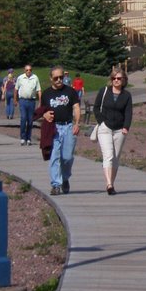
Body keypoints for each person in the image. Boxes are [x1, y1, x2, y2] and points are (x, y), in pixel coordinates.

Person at [40, 65, 80, 195]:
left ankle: (65, 178)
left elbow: (76, 107)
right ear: (51, 78)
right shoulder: (46, 94)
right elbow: (42, 110)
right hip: (54, 128)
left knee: (67, 157)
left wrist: (77, 123)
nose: (59, 80)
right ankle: (56, 185)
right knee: (54, 156)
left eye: (61, 77)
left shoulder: (70, 92)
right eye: (56, 78)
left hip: (68, 126)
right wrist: (45, 115)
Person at [93, 69, 133, 195]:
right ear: (111, 79)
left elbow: (128, 112)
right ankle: (109, 184)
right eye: (114, 78)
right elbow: (96, 107)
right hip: (105, 127)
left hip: (120, 129)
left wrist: (126, 127)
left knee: (115, 157)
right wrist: (101, 122)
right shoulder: (104, 91)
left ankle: (111, 183)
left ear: (124, 80)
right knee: (108, 155)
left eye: (119, 78)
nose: (116, 80)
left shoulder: (126, 95)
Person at [15, 63, 41, 145]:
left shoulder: (35, 78)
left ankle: (28, 138)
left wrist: (40, 101)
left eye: (30, 70)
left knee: (30, 120)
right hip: (22, 100)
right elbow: (16, 89)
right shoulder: (20, 78)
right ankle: (22, 137)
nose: (28, 71)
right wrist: (15, 100)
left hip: (31, 101)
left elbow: (39, 90)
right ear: (24, 70)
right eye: (27, 70)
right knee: (23, 118)